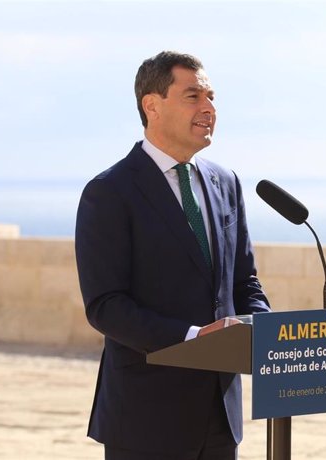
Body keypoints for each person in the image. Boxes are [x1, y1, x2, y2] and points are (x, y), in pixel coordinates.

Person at [75, 51, 271, 460]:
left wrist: (263, 329)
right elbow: (106, 306)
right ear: (152, 105)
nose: (209, 108)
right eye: (193, 95)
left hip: (220, 414)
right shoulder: (109, 192)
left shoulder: (226, 182)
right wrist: (194, 339)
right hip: (147, 416)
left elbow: (244, 281)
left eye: (212, 97)